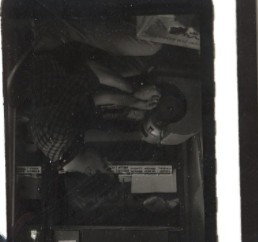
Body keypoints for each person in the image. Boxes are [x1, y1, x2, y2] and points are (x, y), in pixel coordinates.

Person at [15, 42, 187, 171]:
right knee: (137, 67)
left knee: (150, 47)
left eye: (105, 168)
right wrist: (134, 100)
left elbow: (92, 72)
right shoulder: (56, 149)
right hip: (64, 63)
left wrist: (135, 93)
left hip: (52, 44)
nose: (107, 162)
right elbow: (95, 98)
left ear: (90, 173)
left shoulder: (60, 135)